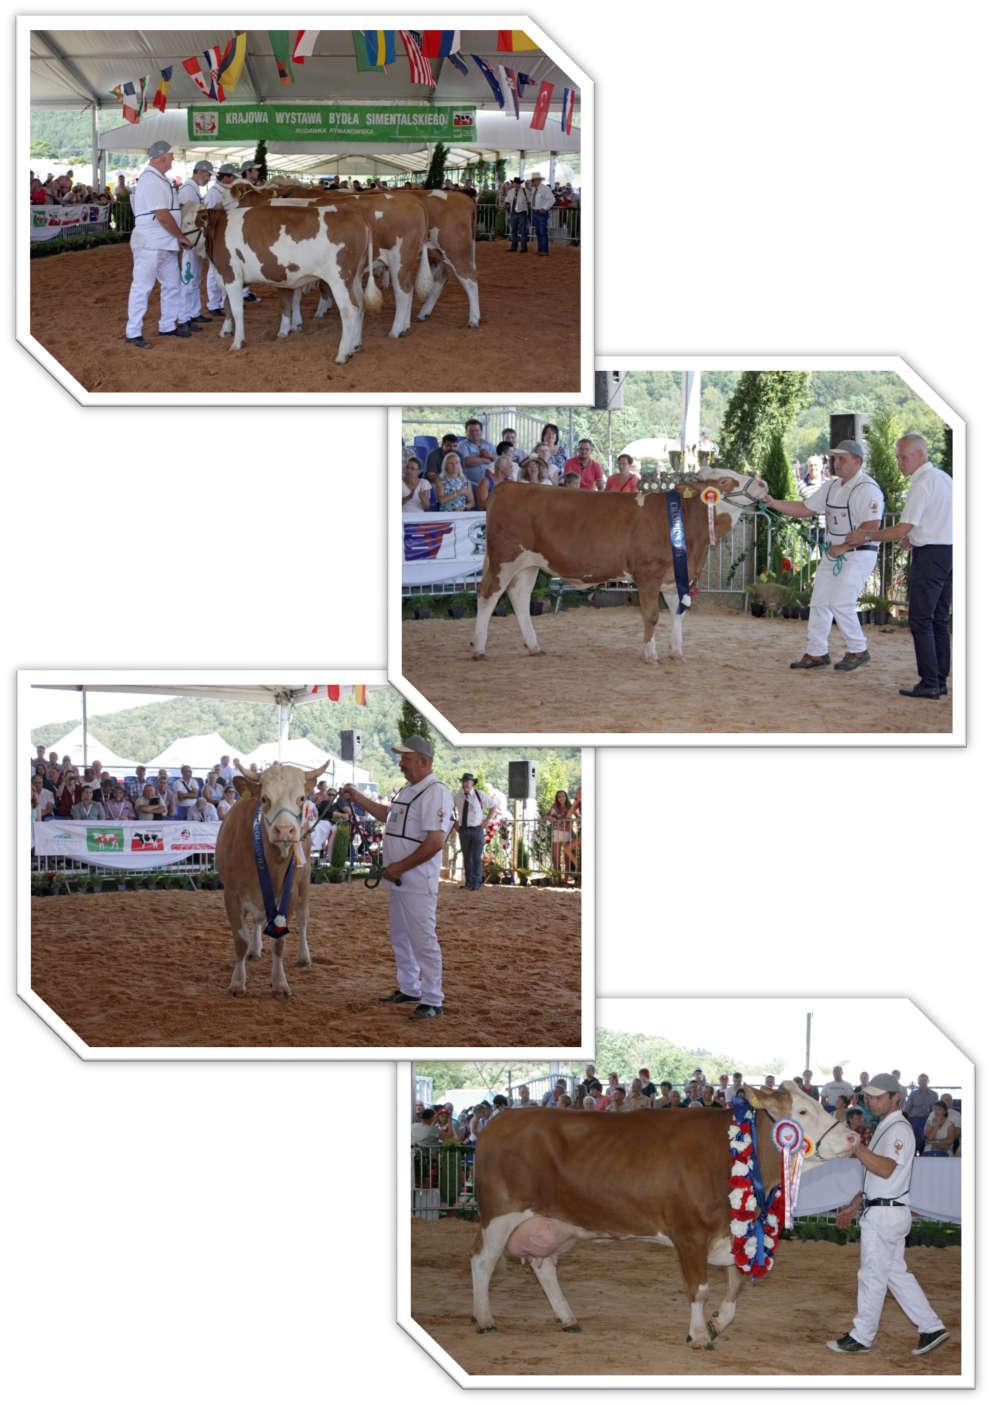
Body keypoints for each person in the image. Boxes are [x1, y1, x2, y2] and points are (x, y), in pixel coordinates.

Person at [827, 1073, 949, 1358]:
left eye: (878, 1096)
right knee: (895, 1274)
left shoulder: (899, 1129)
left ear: (897, 1098)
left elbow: (885, 1169)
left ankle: (862, 1336)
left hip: (885, 1215)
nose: (871, 1101)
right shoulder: (887, 1126)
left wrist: (857, 1147)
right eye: (869, 1096)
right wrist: (857, 1201)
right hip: (883, 1210)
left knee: (871, 1275)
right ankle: (931, 1326)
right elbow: (878, 1175)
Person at [340, 735, 453, 1020]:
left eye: (406, 759)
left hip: (415, 879)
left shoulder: (435, 791)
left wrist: (400, 866)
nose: (401, 764)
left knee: (423, 938)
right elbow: (389, 815)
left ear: (424, 762)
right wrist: (359, 798)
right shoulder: (410, 789)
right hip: (398, 878)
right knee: (400, 936)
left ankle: (432, 998)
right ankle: (409, 987)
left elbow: (435, 842)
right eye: (402, 758)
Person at [844, 433, 953, 699]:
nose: (900, 463)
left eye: (903, 457)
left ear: (920, 455)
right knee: (939, 619)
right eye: (898, 457)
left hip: (930, 557)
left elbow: (903, 526)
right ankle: (939, 680)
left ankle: (929, 683)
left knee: (921, 620)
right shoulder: (945, 479)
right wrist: (913, 537)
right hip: (950, 552)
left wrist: (867, 535)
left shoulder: (922, 483)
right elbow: (931, 522)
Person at [765, 439, 884, 671]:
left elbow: (872, 526)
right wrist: (772, 503)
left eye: (842, 459)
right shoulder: (831, 486)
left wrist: (844, 547)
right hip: (834, 552)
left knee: (841, 601)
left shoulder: (867, 488)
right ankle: (816, 652)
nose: (836, 463)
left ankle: (858, 648)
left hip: (859, 553)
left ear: (857, 462)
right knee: (819, 601)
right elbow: (805, 508)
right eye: (835, 459)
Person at [124, 141, 195, 348]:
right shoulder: (151, 180)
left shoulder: (159, 178)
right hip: (151, 242)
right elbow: (162, 215)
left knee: (172, 284)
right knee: (142, 286)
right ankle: (133, 331)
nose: (173, 159)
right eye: (171, 156)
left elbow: (167, 212)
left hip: (164, 241)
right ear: (162, 157)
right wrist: (180, 236)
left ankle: (167, 325)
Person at [175, 159, 215, 328]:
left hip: (195, 240)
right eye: (207, 174)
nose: (208, 177)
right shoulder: (188, 190)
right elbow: (185, 217)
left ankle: (194, 312)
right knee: (189, 277)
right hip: (190, 240)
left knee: (195, 277)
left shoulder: (193, 189)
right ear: (199, 172)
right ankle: (184, 316)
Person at [451, 773, 497, 891]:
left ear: (473, 783)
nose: (466, 783)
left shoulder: (479, 794)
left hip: (477, 829)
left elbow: (493, 806)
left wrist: (488, 820)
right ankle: (469, 882)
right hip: (463, 830)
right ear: (462, 783)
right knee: (467, 857)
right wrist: (454, 822)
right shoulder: (457, 796)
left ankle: (476, 882)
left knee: (476, 856)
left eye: (468, 781)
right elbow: (449, 808)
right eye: (464, 781)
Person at [203, 164, 239, 313]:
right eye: (232, 177)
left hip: (225, 234)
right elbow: (209, 216)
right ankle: (213, 304)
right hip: (215, 234)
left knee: (224, 269)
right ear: (226, 177)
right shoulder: (213, 193)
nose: (233, 180)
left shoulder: (225, 191)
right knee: (214, 270)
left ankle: (224, 301)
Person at [454, 420, 496, 487]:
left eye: (477, 430)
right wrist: (486, 460)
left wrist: (489, 455)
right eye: (471, 431)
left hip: (490, 483)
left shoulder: (489, 445)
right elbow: (466, 461)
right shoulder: (462, 445)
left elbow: (498, 459)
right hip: (470, 484)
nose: (474, 433)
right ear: (466, 432)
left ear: (481, 431)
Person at [545, 789, 573, 880]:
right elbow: (546, 816)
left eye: (563, 796)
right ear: (557, 798)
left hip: (567, 832)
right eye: (559, 796)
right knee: (555, 856)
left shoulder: (570, 806)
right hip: (556, 832)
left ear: (566, 797)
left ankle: (565, 879)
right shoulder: (554, 806)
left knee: (567, 857)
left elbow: (577, 816)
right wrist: (551, 818)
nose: (561, 798)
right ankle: (557, 878)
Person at [528, 172, 556, 255]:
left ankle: (544, 250)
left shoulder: (545, 189)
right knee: (538, 232)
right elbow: (534, 199)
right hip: (535, 212)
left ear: (538, 180)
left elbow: (552, 199)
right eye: (532, 181)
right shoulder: (534, 189)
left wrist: (544, 208)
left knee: (542, 231)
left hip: (541, 212)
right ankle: (540, 249)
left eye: (533, 181)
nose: (532, 182)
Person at [505, 176, 531, 252]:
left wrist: (528, 203)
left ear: (520, 184)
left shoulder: (525, 191)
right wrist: (505, 206)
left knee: (523, 231)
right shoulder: (510, 192)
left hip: (522, 212)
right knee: (513, 230)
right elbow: (507, 201)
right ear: (513, 184)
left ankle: (524, 248)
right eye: (515, 183)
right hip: (513, 213)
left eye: (518, 183)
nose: (516, 185)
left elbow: (530, 201)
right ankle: (513, 247)